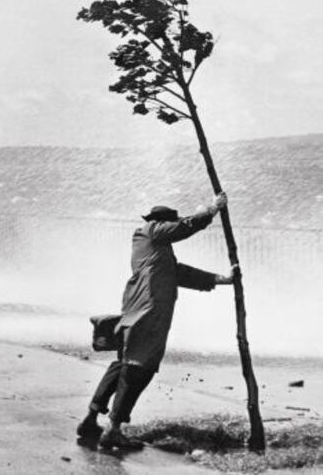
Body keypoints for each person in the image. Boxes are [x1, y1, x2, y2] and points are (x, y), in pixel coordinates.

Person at [77, 191, 234, 449]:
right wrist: (211, 210)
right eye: (170, 223)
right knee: (139, 369)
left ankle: (91, 419)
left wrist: (221, 279)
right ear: (161, 222)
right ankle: (113, 429)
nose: (172, 226)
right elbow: (183, 228)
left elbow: (178, 273)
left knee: (123, 364)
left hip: (137, 313)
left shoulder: (154, 250)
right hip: (148, 315)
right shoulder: (151, 231)